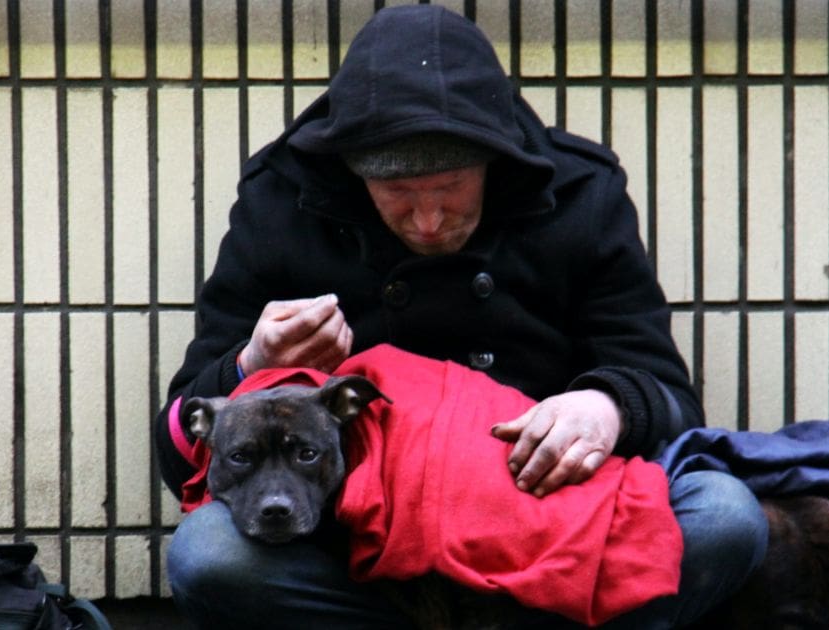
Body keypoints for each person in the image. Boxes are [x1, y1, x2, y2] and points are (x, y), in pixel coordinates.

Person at [155, 5, 767, 628]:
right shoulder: (282, 199)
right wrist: (252, 364)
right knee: (210, 555)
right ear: (351, 171)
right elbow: (179, 452)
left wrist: (604, 407)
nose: (427, 220)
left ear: (493, 162)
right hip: (354, 548)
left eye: (450, 187)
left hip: (542, 520)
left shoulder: (582, 193)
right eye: (396, 193)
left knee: (723, 514)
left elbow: (671, 402)